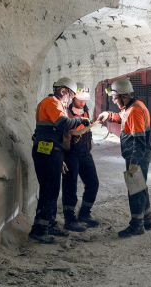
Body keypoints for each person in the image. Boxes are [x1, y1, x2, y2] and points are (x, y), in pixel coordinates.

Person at [29, 77, 91, 243]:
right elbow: (63, 123)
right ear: (64, 91)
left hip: (52, 151)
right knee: (49, 189)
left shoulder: (56, 104)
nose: (70, 99)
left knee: (53, 188)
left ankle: (49, 223)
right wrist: (80, 120)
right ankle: (39, 230)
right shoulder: (52, 102)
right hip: (47, 151)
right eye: (70, 95)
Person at [97, 78, 151, 237]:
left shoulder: (134, 111)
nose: (114, 102)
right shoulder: (131, 107)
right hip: (139, 154)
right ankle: (147, 219)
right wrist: (108, 115)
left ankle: (137, 225)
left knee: (135, 189)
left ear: (123, 96)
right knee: (140, 187)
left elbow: (138, 140)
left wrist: (133, 164)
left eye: (115, 98)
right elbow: (123, 117)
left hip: (137, 155)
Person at [61, 85, 100, 231]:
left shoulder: (85, 109)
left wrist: (89, 140)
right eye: (80, 100)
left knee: (93, 183)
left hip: (85, 153)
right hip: (71, 154)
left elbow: (87, 126)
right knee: (70, 187)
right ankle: (69, 220)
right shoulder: (65, 110)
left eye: (85, 100)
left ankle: (84, 213)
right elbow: (62, 131)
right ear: (73, 97)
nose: (83, 103)